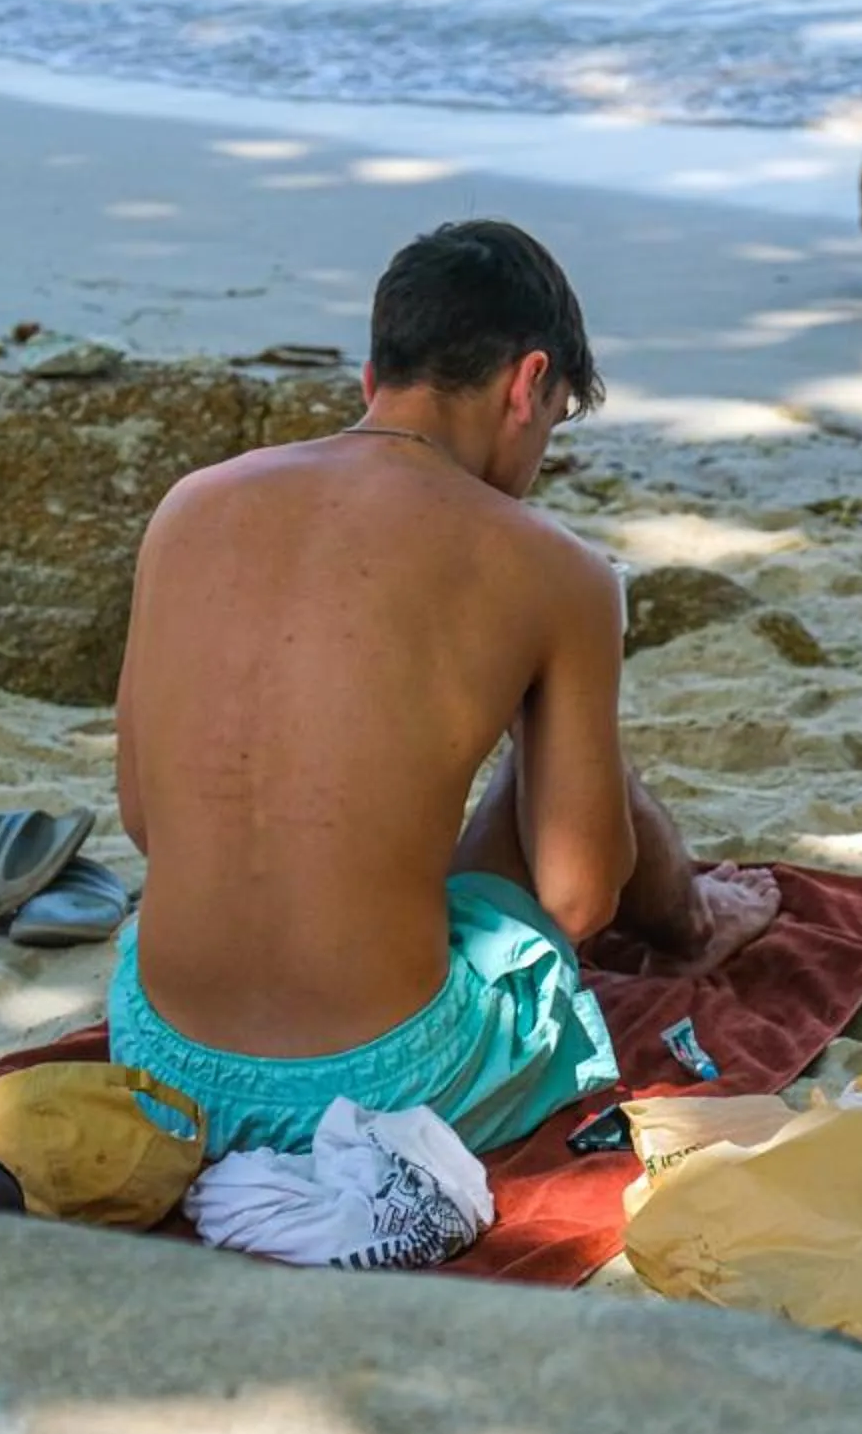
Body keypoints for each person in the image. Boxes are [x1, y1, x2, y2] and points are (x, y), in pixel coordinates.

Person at [108, 218, 782, 1156]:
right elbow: (581, 903)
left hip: (164, 1066)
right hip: (384, 1086)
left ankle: (688, 911)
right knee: (551, 774)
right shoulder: (554, 569)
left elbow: (145, 820)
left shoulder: (189, 506)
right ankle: (695, 923)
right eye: (552, 423)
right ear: (526, 383)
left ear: (372, 381)